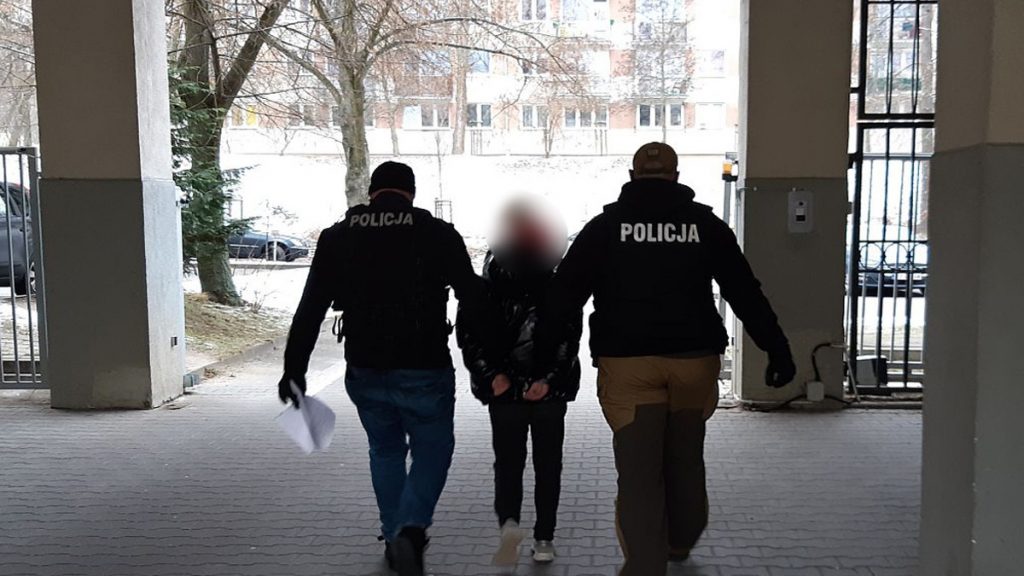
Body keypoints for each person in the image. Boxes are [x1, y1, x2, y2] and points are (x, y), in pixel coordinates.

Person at [531, 143, 796, 576]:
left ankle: (644, 566)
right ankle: (680, 540)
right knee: (684, 455)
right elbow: (744, 290)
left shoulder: (604, 228)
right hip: (694, 362)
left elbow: (563, 298)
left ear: (632, 176)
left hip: (628, 364)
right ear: (675, 177)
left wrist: (543, 359)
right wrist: (777, 347)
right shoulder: (705, 225)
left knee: (639, 472)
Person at [278, 161, 497, 576]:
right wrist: (494, 359)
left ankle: (393, 531)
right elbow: (472, 295)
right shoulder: (436, 232)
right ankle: (410, 529)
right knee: (433, 448)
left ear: (372, 193)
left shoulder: (338, 236)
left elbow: (310, 307)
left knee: (385, 450)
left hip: (365, 365)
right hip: (424, 364)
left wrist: (294, 369)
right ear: (411, 194)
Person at [456, 197, 582, 567]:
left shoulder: (484, 285)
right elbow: (569, 338)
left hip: (504, 393)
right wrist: (548, 380)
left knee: (508, 464)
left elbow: (468, 337)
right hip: (549, 394)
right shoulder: (559, 284)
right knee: (548, 466)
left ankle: (509, 525)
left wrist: (493, 377)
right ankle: (544, 538)